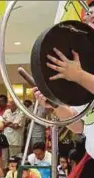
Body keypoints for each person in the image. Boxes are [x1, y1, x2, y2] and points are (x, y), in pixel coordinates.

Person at [34, 2, 94, 177]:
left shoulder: (81, 73)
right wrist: (54, 105)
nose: (88, 20)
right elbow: (79, 126)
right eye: (88, 16)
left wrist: (78, 75)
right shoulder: (86, 65)